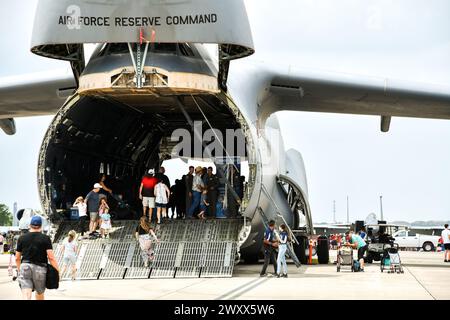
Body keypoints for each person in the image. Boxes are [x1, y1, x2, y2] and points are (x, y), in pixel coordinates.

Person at [15, 216, 59, 300]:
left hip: (25, 267)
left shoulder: (22, 238)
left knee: (26, 294)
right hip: (40, 268)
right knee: (39, 293)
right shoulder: (45, 238)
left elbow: (17, 257)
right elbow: (51, 257)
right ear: (41, 226)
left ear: (30, 225)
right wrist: (57, 271)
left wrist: (19, 269)